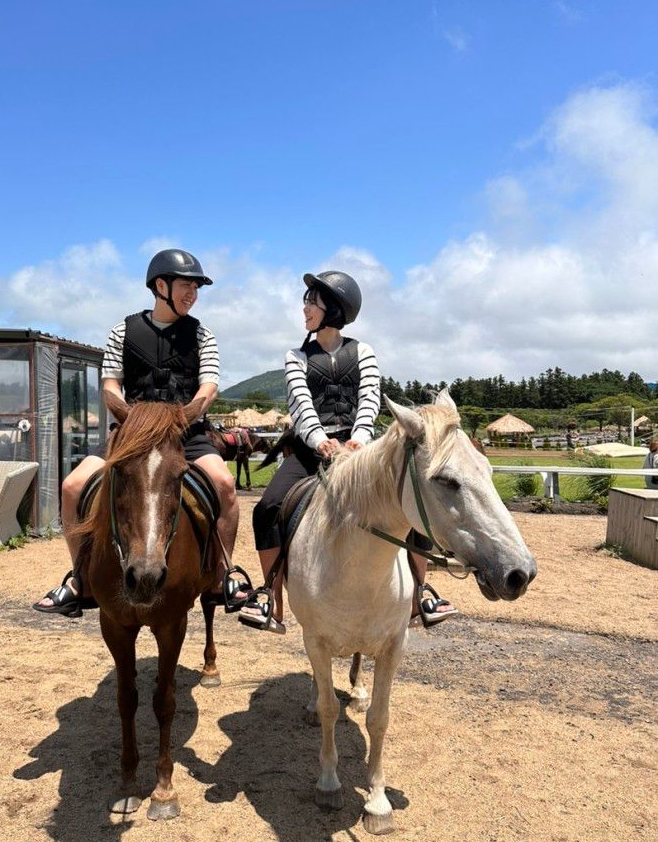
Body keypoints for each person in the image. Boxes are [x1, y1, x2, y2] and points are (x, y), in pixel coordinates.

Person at [238, 269, 458, 634]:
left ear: (334, 309)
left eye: (313, 300)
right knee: (267, 507)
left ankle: (421, 593)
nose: (305, 306)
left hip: (361, 451)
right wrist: (318, 439)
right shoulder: (296, 356)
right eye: (306, 300)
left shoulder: (363, 352)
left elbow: (370, 398)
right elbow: (300, 403)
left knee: (410, 500)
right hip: (313, 450)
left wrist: (359, 438)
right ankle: (270, 599)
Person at [33, 249, 240, 617]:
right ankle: (79, 577)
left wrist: (184, 415)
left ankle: (222, 575)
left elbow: (208, 386)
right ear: (161, 285)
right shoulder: (122, 330)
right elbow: (110, 385)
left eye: (196, 288)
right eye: (185, 286)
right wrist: (131, 417)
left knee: (224, 484)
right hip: (132, 433)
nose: (192, 294)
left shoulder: (202, 334)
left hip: (185, 433)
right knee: (72, 486)